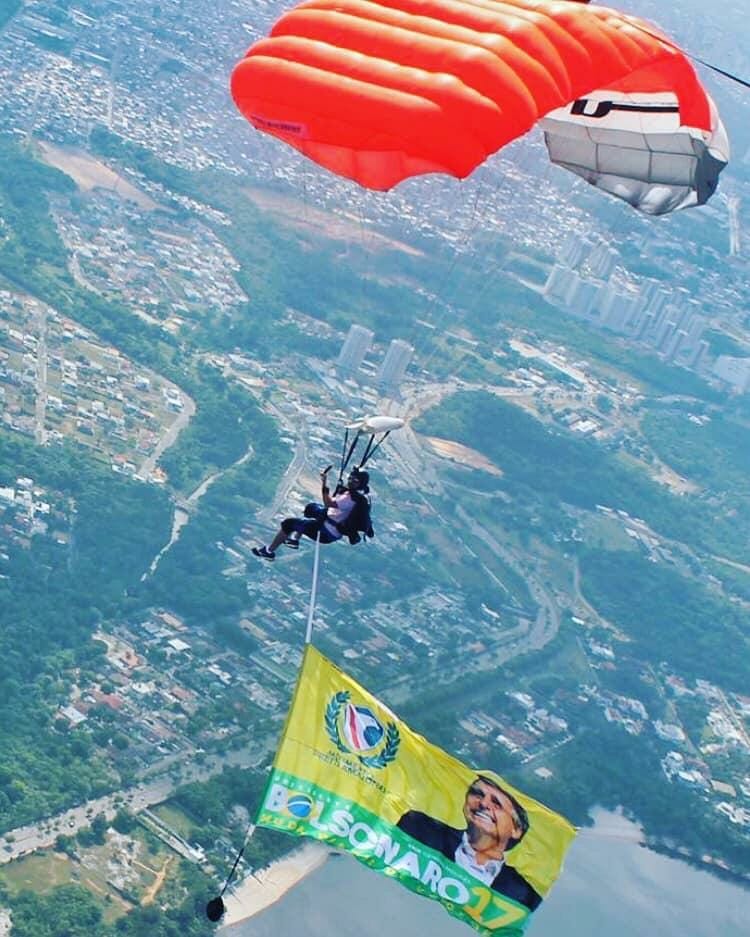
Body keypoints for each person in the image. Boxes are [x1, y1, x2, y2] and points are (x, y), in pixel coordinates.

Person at [397, 774, 541, 911]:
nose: (483, 803)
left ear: (516, 829)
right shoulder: (418, 827)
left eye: (496, 803)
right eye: (477, 794)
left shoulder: (522, 895)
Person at [252, 467, 372, 561]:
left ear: (360, 484)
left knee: (288, 524)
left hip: (326, 531)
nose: (350, 481)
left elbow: (328, 503)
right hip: (329, 522)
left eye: (354, 481)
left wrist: (324, 483)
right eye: (350, 478)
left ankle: (269, 551)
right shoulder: (357, 495)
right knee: (311, 508)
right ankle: (294, 539)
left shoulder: (350, 498)